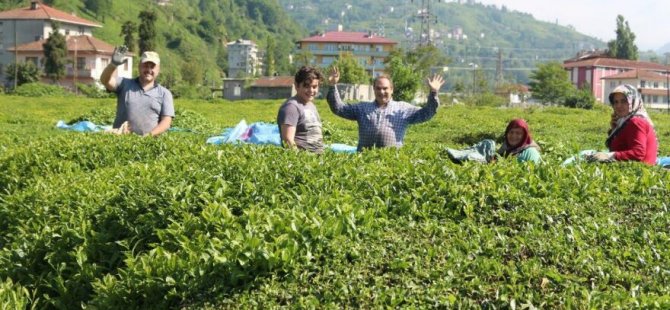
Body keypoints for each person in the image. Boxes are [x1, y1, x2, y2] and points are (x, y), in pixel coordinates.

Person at [326, 67, 444, 151]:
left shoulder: (403, 108)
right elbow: (339, 108)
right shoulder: (362, 108)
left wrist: (433, 92)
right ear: (374, 89)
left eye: (385, 88)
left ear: (392, 89)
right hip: (364, 161)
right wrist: (332, 86)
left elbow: (427, 113)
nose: (382, 92)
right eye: (378, 88)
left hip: (391, 163)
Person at [100, 46, 174, 136]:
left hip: (148, 143)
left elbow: (166, 122)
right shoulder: (124, 84)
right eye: (145, 66)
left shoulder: (164, 93)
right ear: (139, 66)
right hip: (120, 140)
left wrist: (149, 136)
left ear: (158, 70)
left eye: (152, 67)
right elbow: (105, 81)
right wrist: (113, 64)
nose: (149, 70)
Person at [587, 84, 657, 165]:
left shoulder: (636, 122)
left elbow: (638, 153)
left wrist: (609, 156)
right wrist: (614, 130)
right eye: (615, 102)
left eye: (624, 101)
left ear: (633, 101)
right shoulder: (625, 121)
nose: (618, 105)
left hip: (639, 172)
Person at [445, 118, 541, 164]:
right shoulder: (507, 147)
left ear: (524, 135)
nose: (513, 136)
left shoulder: (530, 152)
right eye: (511, 132)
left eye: (518, 133)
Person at [276, 66, 325, 153]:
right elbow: (288, 140)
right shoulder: (291, 107)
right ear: (297, 86)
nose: (311, 90)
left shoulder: (311, 105)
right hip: (303, 161)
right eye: (306, 86)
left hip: (316, 161)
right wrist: (301, 160)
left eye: (314, 87)